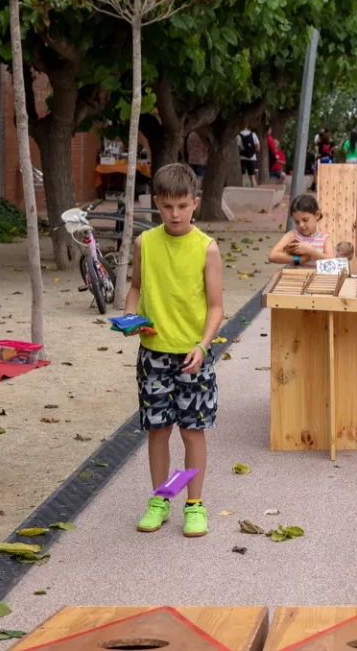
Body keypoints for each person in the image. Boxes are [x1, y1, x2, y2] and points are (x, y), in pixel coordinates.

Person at [125, 164, 223, 538]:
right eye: (167, 207)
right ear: (156, 203)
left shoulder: (207, 248)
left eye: (182, 206)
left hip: (192, 356)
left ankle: (194, 504)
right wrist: (130, 317)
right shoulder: (144, 243)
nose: (175, 214)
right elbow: (136, 288)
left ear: (195, 203)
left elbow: (216, 306)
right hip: (153, 354)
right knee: (158, 430)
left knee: (192, 432)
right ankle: (161, 498)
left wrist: (202, 345)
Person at [267, 194, 334, 267]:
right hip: (295, 274)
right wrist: (298, 259)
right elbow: (272, 256)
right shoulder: (292, 236)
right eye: (297, 222)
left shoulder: (324, 239)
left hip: (317, 274)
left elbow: (332, 261)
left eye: (305, 220)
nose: (301, 225)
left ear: (317, 215)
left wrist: (311, 251)